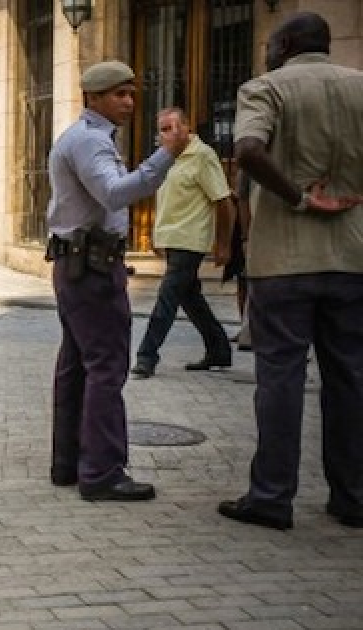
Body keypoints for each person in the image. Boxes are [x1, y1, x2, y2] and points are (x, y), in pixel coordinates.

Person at [218, 12, 363, 531]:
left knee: (280, 377)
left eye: (269, 43)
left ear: (284, 44)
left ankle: (272, 496)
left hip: (283, 261)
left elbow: (249, 150)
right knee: (349, 377)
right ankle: (352, 496)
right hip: (352, 258)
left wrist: (299, 198)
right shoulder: (359, 88)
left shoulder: (265, 88)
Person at [44, 60, 190, 501]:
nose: (128, 102)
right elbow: (114, 192)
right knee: (106, 368)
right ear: (93, 98)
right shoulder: (90, 141)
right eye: (118, 94)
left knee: (76, 366)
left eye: (131, 93)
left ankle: (69, 463)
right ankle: (103, 473)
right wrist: (166, 155)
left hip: (77, 266)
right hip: (91, 270)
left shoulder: (83, 138)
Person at [130, 107, 234, 379]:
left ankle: (146, 356)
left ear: (187, 128)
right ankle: (219, 348)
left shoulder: (203, 156)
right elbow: (166, 202)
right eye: (162, 129)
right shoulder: (167, 160)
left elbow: (223, 201)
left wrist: (224, 243)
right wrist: (157, 235)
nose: (166, 135)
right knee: (190, 298)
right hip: (173, 239)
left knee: (167, 298)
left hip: (191, 240)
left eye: (171, 128)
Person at [224, 171, 252, 352]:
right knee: (243, 282)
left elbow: (242, 198)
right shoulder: (246, 171)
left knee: (247, 283)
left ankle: (249, 330)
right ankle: (246, 329)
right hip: (245, 233)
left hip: (250, 232)